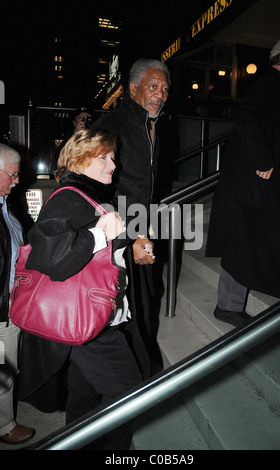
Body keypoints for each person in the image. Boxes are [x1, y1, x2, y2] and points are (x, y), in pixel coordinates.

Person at [18, 129, 144, 446]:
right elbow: (51, 256)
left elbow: (93, 244)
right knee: (130, 395)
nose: (113, 164)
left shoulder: (87, 197)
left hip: (85, 322)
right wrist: (100, 234)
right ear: (79, 158)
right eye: (103, 157)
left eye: (113, 157)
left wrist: (132, 239)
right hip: (89, 325)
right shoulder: (69, 197)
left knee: (83, 396)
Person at [205, 36, 280, 327]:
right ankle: (228, 306)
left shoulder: (277, 86)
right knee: (242, 243)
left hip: (253, 184)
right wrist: (265, 161)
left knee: (245, 241)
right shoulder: (271, 83)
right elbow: (246, 119)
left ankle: (230, 304)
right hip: (252, 183)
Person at [91, 58, 170, 374]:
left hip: (143, 224)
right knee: (130, 304)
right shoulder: (112, 126)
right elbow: (89, 182)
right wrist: (123, 231)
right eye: (153, 87)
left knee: (148, 295)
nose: (160, 95)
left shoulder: (151, 126)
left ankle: (144, 367)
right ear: (133, 88)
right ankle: (138, 374)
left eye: (164, 89)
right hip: (122, 230)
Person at [0, 143, 35, 444]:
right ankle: (4, 427)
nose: (16, 180)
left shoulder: (7, 208)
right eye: (11, 175)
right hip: (0, 312)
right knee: (3, 370)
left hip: (11, 305)